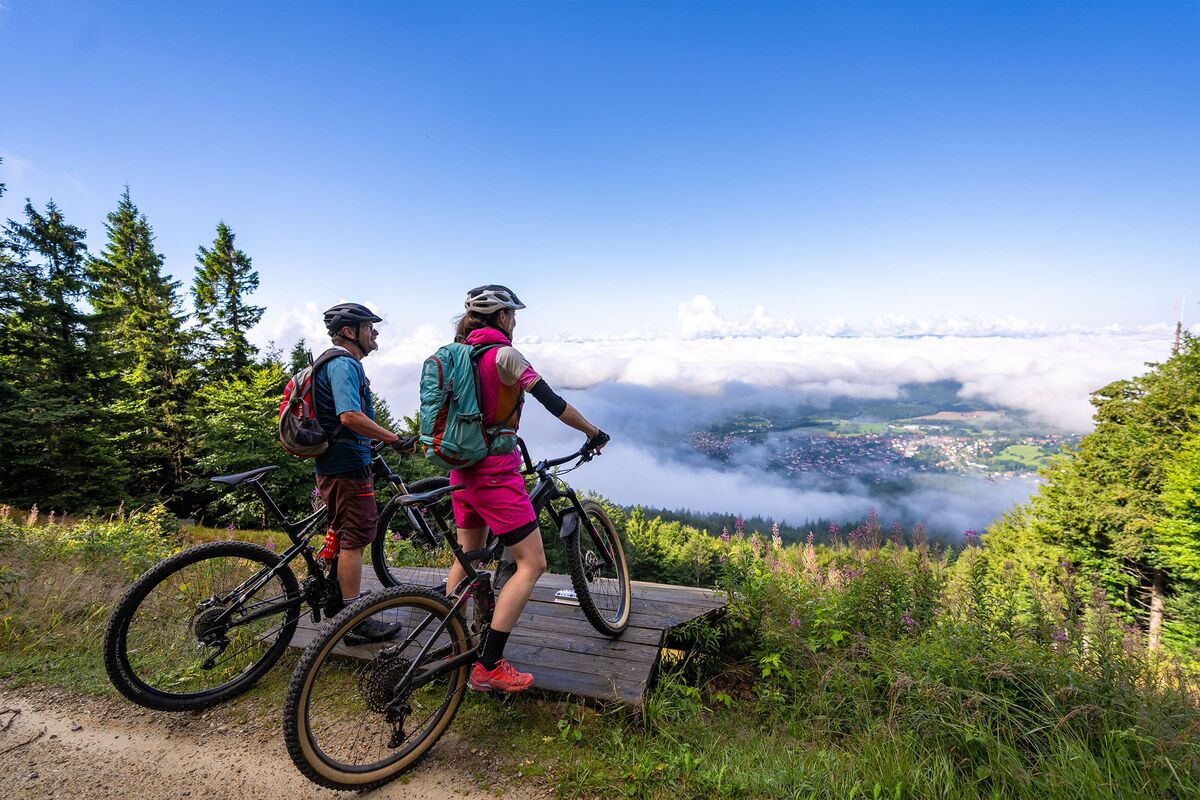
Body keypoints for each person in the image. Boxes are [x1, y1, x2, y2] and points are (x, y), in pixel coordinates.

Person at [444, 285, 609, 692]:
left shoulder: (456, 354)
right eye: (513, 315)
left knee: (468, 557)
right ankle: (488, 666)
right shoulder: (505, 355)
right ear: (502, 317)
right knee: (532, 564)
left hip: (460, 470)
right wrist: (592, 431)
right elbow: (553, 402)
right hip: (495, 474)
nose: (515, 322)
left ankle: (453, 646)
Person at [314, 302, 407, 642]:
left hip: (337, 463)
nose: (374, 332)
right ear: (349, 331)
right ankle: (352, 622)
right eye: (368, 327)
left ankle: (340, 603)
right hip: (347, 466)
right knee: (354, 539)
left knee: (344, 534)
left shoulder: (333, 362)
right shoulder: (344, 364)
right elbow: (350, 416)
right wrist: (392, 437)